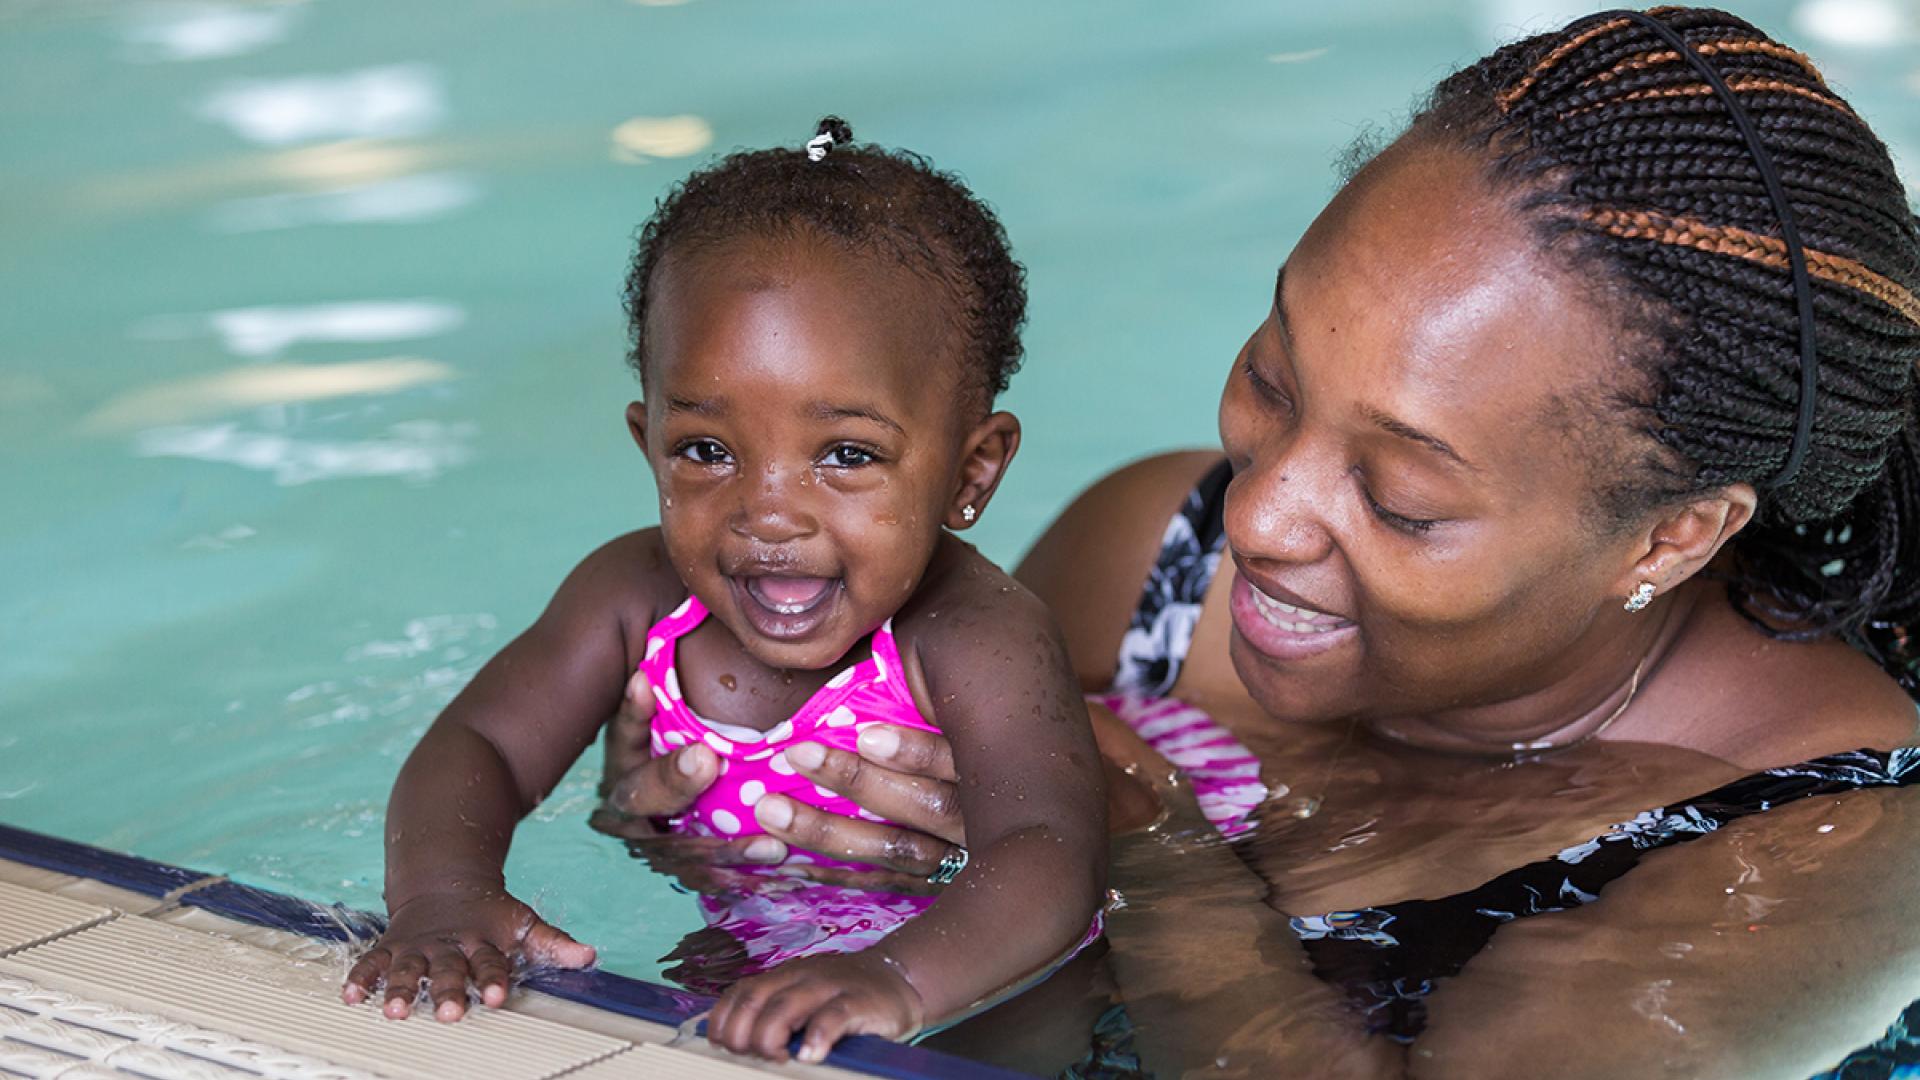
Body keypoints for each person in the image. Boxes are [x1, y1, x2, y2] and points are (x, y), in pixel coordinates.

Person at [597, 10, 1920, 1077]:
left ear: (1675, 535)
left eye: (1401, 498)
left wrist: (1153, 853)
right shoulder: (1153, 563)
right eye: (1273, 381)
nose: (1255, 516)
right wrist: (727, 799)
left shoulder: (1823, 847)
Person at [341, 118, 1106, 1065]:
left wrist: (895, 981)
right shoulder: (632, 595)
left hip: (970, 985)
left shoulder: (976, 634)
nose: (767, 513)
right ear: (645, 440)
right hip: (746, 949)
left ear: (970, 472)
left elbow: (1045, 850)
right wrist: (443, 895)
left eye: (847, 454)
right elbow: (481, 743)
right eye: (706, 450)